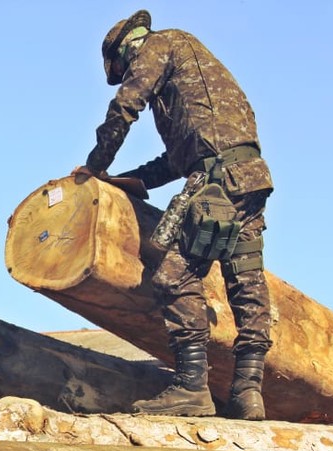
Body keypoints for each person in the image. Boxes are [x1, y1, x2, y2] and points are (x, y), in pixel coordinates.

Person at [74, 9, 274, 420]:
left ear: (127, 51)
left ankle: (191, 388)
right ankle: (248, 393)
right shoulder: (194, 66)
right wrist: (135, 180)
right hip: (249, 178)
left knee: (173, 277)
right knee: (246, 281)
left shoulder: (158, 45)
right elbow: (182, 155)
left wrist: (94, 166)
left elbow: (125, 106)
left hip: (215, 183)